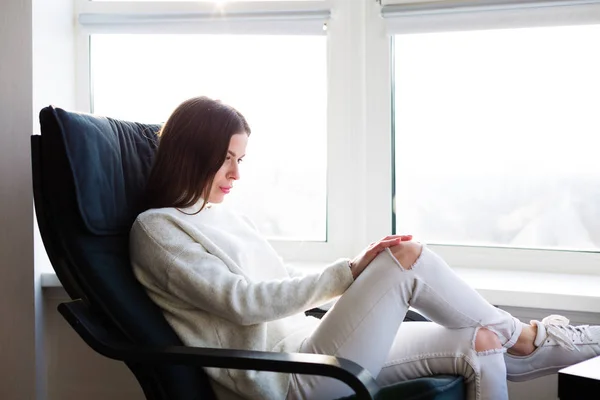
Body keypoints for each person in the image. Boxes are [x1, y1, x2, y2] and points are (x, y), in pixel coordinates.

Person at [129, 96, 600, 400]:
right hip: (283, 376)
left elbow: (278, 282)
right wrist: (350, 272)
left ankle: (521, 340)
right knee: (405, 256)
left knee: (482, 343)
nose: (236, 174)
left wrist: (351, 285)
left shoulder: (224, 215)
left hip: (308, 347)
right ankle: (531, 341)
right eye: (226, 159)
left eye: (240, 159)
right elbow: (242, 303)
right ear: (191, 153)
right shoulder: (157, 230)